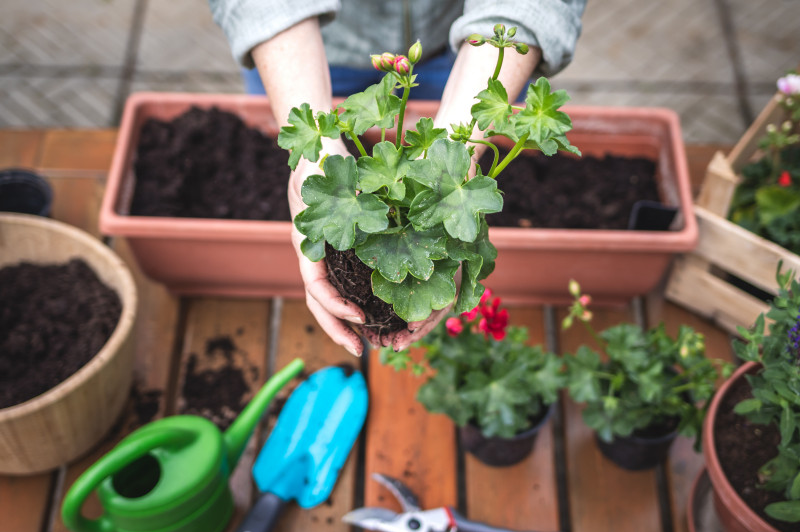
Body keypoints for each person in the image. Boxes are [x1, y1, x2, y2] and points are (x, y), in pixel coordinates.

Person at [208, 0, 586, 357]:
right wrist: (315, 159)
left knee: (440, 149)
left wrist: (455, 160)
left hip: (467, 49)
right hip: (295, 45)